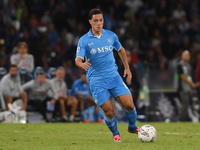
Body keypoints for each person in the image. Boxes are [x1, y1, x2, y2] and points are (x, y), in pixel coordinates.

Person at [75, 8, 140, 142]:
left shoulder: (111, 35)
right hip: (97, 80)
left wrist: (127, 68)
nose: (99, 23)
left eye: (101, 20)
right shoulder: (84, 40)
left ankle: (132, 127)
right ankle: (116, 134)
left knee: (129, 104)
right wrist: (81, 64)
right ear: (90, 22)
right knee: (109, 111)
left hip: (114, 76)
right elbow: (78, 59)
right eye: (95, 21)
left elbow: (121, 50)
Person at [177, 50, 200, 122]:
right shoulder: (179, 65)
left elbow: (190, 76)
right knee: (185, 103)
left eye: (188, 55)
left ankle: (189, 118)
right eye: (185, 55)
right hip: (183, 88)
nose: (187, 56)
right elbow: (182, 76)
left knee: (190, 103)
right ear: (182, 56)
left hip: (189, 88)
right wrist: (191, 83)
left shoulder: (189, 66)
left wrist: (193, 84)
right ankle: (181, 119)